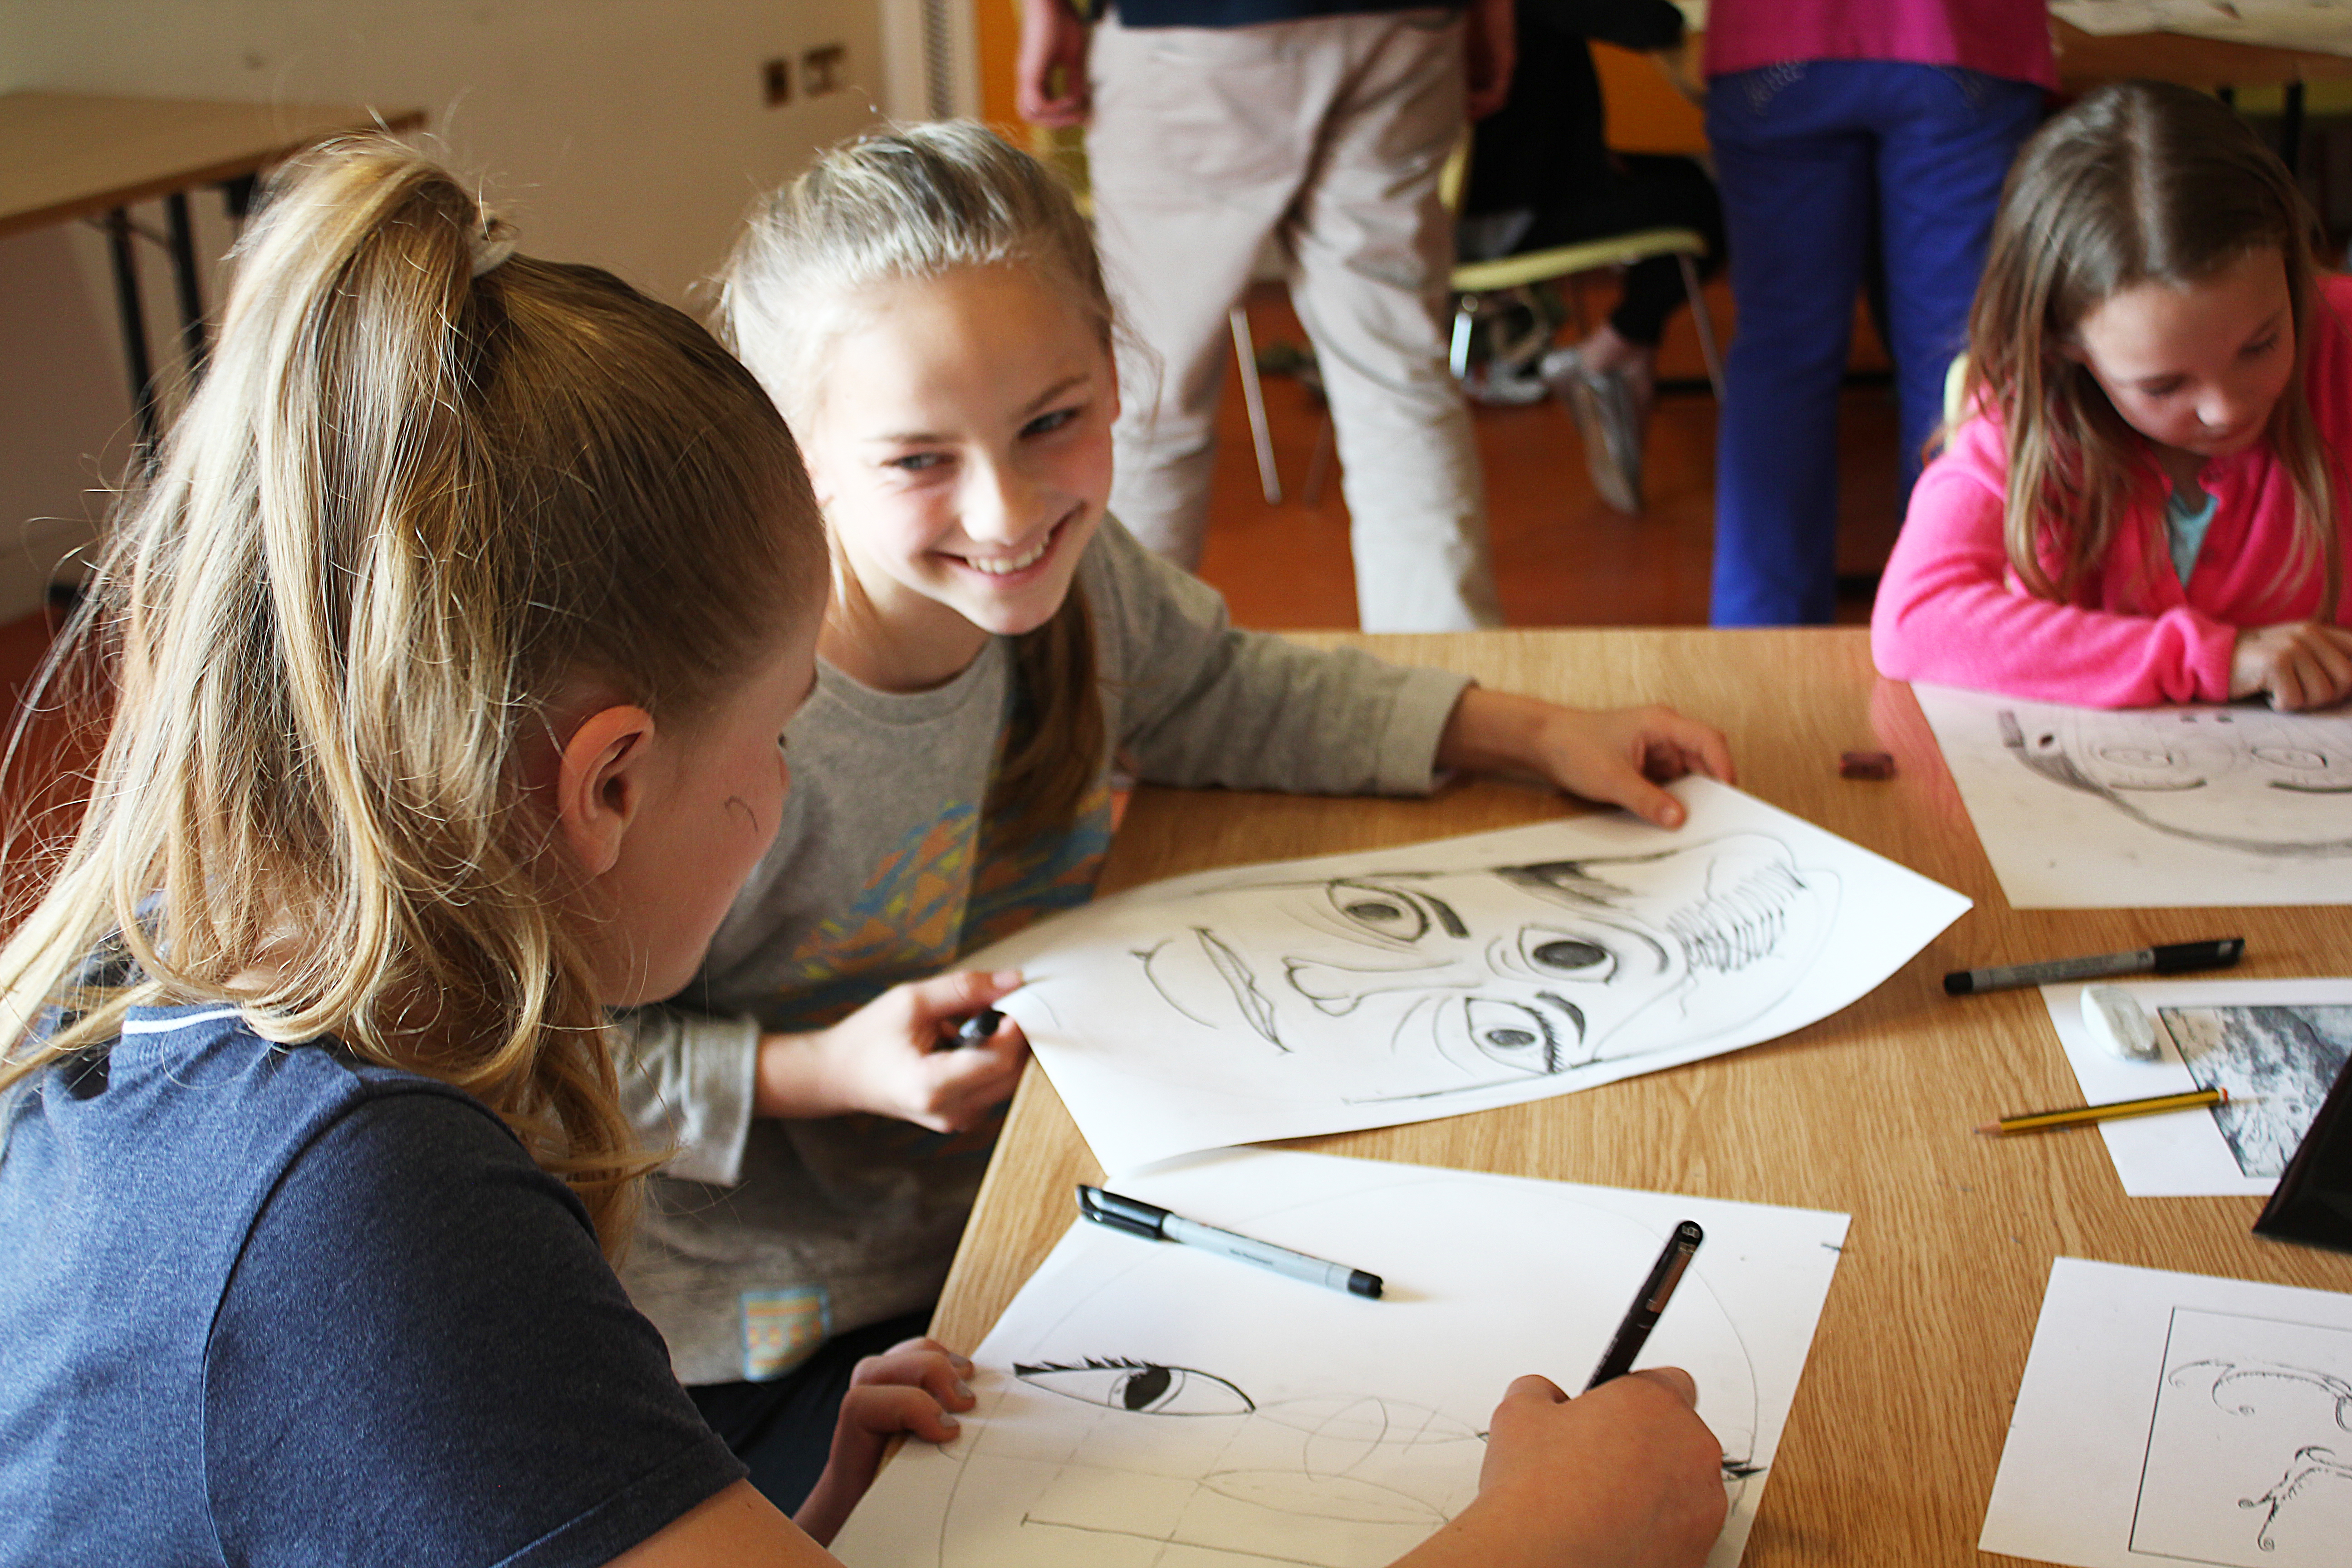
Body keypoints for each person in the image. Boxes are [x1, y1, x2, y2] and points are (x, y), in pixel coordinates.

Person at [0, 136, 1728, 1568]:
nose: (789, 767)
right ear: (613, 781)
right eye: (772, 733)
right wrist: (1556, 1540)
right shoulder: (379, 1225)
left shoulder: (209, 1004)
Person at [617, 120, 1736, 1506]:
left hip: (1037, 1224)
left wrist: (1531, 731)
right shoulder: (728, 715)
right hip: (763, 1342)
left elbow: (1226, 690)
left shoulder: (1082, 597)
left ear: (1116, 371)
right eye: (920, 460)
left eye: (1055, 421)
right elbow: (550, 1062)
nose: (1011, 507)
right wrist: (818, 1072)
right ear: (796, 453)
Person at [1016, 0, 1512, 631]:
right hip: (1403, 23)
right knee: (1396, 381)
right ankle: (1453, 685)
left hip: (1190, 30)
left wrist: (1046, 11)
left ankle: (1114, 692)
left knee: (1151, 393)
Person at [1872, 81, 2352, 711]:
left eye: (2260, 345)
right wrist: (2213, 658)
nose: (2227, 408)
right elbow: (1917, 621)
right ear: (2065, 349)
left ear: (2292, 274)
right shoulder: (2033, 402)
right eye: (2164, 385)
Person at [1702, 0, 2053, 626]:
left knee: (1779, 353)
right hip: (1956, 38)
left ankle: (1757, 641)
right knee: (1956, 358)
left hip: (1772, 39)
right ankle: (1955, 620)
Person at [1457, 0, 1726, 515]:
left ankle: (1622, 354)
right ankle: (1605, 354)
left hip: (1495, 199)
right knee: (1717, 204)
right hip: (1507, 214)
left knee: (1688, 183)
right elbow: (1650, 21)